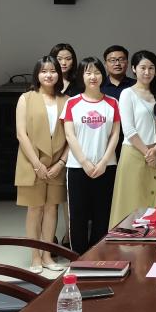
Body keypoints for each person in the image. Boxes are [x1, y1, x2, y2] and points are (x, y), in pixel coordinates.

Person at [14, 56, 69, 273]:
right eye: (44, 71)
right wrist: (37, 164)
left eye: (53, 71)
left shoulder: (66, 100)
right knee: (35, 209)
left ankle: (47, 255)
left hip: (57, 163)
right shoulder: (26, 98)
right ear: (37, 74)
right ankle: (35, 256)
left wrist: (61, 162)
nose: (49, 75)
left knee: (52, 208)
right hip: (31, 162)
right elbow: (21, 134)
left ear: (59, 74)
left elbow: (72, 136)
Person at [61, 57, 120, 254]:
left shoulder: (112, 103)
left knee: (102, 215)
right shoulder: (72, 103)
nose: (93, 76)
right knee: (78, 215)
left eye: (96, 72)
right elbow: (70, 135)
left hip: (106, 167)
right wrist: (85, 162)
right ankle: (78, 258)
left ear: (103, 75)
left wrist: (103, 162)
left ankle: (98, 257)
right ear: (81, 76)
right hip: (78, 168)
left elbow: (115, 135)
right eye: (88, 72)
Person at [108, 50, 156, 229]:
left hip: (155, 154)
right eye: (142, 68)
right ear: (133, 69)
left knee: (152, 203)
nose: (147, 72)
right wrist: (148, 153)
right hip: (134, 154)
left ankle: (151, 241)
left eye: (151, 68)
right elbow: (129, 129)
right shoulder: (127, 93)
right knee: (131, 205)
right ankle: (126, 242)